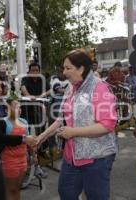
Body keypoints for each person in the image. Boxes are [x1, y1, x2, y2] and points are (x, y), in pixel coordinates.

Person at [36, 49, 118, 200]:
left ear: (81, 68)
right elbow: (62, 118)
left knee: (96, 196)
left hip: (96, 158)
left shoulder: (99, 88)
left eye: (68, 68)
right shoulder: (70, 88)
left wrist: (73, 132)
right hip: (71, 157)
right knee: (66, 193)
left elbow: (107, 125)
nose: (64, 72)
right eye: (63, 68)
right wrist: (41, 137)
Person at [1, 99, 37, 200]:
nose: (19, 110)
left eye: (20, 107)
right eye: (16, 107)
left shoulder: (24, 122)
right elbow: (1, 141)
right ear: (7, 109)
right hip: (9, 161)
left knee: (17, 188)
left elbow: (29, 141)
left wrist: (33, 155)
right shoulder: (3, 123)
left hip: (23, 160)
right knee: (10, 189)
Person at [20, 62, 50, 178]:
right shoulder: (25, 79)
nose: (34, 72)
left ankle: (42, 151)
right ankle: (30, 156)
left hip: (39, 108)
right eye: (32, 70)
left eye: (36, 70)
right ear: (29, 71)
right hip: (26, 108)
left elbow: (50, 90)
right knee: (26, 132)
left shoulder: (42, 80)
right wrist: (29, 96)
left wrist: (42, 95)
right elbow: (23, 88)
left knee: (41, 130)